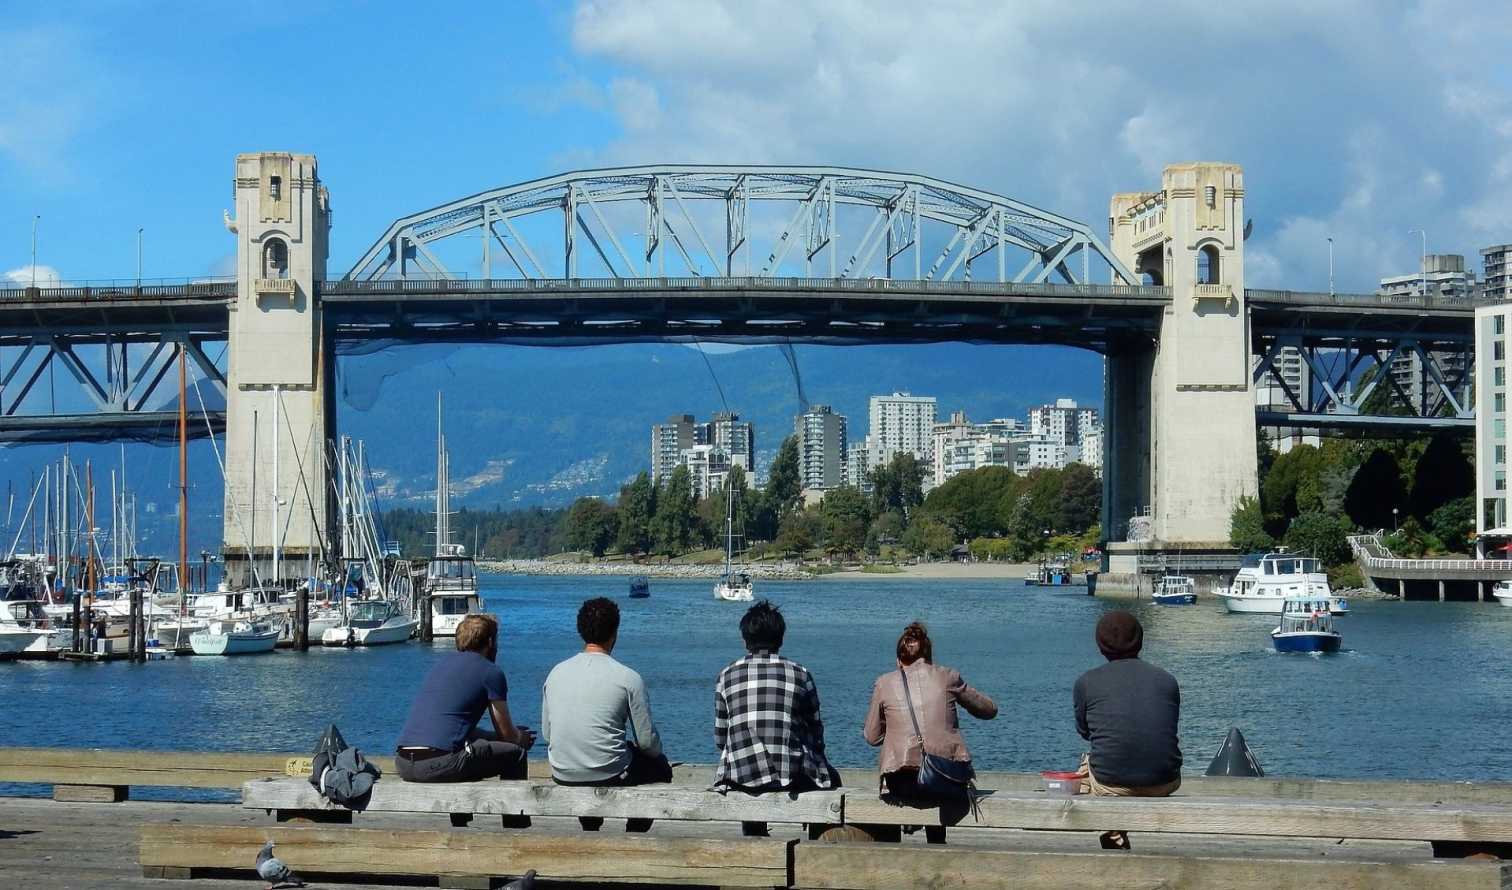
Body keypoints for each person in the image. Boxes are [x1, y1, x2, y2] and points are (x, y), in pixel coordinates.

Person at [714, 600, 840, 827]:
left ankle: (754, 835)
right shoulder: (800, 673)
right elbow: (816, 731)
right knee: (833, 779)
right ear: (781, 639)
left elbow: (721, 738)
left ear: (745, 640)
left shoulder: (726, 675)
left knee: (749, 779)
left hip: (741, 774)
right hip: (789, 773)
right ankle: (817, 839)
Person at [1073, 610, 1182, 849]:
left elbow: (1085, 732)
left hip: (1111, 783)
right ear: (1140, 642)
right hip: (1165, 780)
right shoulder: (1167, 680)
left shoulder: (1087, 682)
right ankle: (1115, 831)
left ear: (1100, 646)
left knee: (1086, 768)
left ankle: (1112, 832)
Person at [541, 597, 671, 787]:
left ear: (581, 631)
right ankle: (635, 818)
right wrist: (658, 752)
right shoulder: (628, 678)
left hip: (562, 771)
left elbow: (547, 734)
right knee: (660, 767)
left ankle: (590, 817)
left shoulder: (555, 673)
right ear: (614, 632)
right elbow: (646, 743)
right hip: (610, 772)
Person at [394, 613, 534, 783]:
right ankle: (513, 809)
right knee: (515, 754)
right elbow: (508, 736)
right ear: (490, 642)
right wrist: (521, 738)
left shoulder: (441, 666)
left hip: (403, 762)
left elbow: (456, 730)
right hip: (440, 763)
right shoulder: (491, 672)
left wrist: (492, 737)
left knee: (473, 752)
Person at [863, 621, 997, 800]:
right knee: (941, 792)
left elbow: (872, 738)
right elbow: (989, 710)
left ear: (898, 660)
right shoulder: (948, 677)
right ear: (929, 656)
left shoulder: (884, 683)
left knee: (911, 795)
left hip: (901, 781)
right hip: (947, 775)